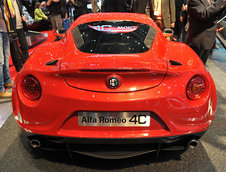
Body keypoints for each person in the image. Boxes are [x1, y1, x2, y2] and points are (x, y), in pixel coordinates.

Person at [185, 0, 226, 65]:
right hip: (198, 41)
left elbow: (215, 13)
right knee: (194, 67)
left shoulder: (210, 1)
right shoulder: (194, 1)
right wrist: (221, 2)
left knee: (201, 67)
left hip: (208, 40)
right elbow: (203, 14)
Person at [0, 0, 14, 98]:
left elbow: (9, 14)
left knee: (5, 58)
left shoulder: (5, 2)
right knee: (0, 61)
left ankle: (7, 80)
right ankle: (0, 89)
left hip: (5, 30)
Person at [10, 0, 29, 71]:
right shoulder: (7, 3)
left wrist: (22, 16)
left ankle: (26, 64)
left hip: (20, 27)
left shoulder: (18, 1)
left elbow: (20, 12)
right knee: (14, 49)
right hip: (12, 29)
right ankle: (18, 66)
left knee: (25, 46)